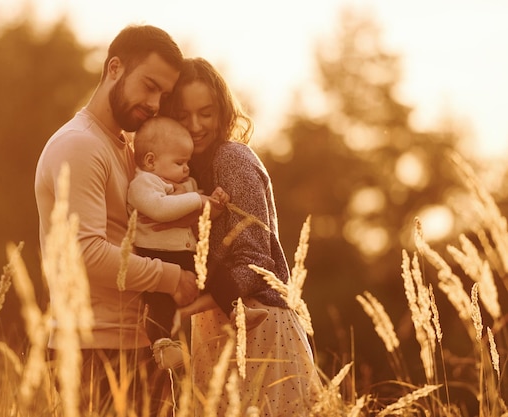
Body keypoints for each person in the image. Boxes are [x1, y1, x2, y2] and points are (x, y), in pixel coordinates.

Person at [34, 25, 199, 416]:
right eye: (148, 85)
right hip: (94, 351)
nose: (155, 103)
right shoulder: (79, 145)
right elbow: (85, 253)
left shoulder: (127, 148)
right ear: (114, 68)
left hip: (136, 344)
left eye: (163, 94)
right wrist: (172, 278)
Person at [159, 57, 323, 416]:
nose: (196, 125)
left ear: (223, 112)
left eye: (206, 113)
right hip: (215, 328)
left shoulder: (231, 158)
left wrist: (183, 302)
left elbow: (254, 261)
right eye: (184, 115)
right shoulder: (187, 174)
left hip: (261, 325)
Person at [127, 116, 269, 370]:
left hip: (186, 253)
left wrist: (214, 203)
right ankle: (163, 346)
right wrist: (196, 198)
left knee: (217, 273)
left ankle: (237, 311)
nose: (186, 169)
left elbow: (202, 214)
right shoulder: (144, 183)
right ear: (150, 161)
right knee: (159, 302)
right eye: (179, 162)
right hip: (157, 254)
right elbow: (159, 208)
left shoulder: (186, 184)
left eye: (187, 163)